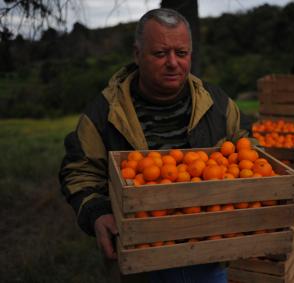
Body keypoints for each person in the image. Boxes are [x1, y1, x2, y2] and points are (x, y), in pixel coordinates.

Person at [59, 8, 249, 283]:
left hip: (210, 252)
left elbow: (245, 144)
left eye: (181, 53)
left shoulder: (217, 103)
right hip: (140, 258)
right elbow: (79, 170)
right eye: (160, 54)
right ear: (137, 55)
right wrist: (96, 212)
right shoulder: (105, 112)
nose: (173, 62)